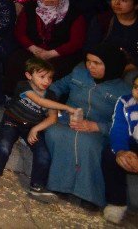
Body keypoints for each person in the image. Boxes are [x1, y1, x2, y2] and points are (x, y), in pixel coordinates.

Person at [45, 45, 131, 209]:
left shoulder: (123, 91)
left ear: (111, 65)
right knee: (54, 132)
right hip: (68, 120)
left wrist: (95, 126)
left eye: (97, 63)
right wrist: (53, 108)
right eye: (88, 61)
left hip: (99, 128)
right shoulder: (79, 72)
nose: (90, 66)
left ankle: (90, 195)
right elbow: (56, 87)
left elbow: (125, 124)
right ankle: (60, 186)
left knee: (89, 144)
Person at [0, 57, 76, 199]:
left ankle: (37, 185)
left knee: (43, 154)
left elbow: (53, 117)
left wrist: (36, 129)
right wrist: (68, 108)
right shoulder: (23, 86)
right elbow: (39, 101)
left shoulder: (51, 95)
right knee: (4, 145)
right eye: (42, 77)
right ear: (29, 76)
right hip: (13, 120)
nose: (46, 81)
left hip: (32, 126)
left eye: (50, 78)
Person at [6, 0, 87, 93]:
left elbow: (76, 42)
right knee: (16, 61)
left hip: (60, 53)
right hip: (33, 48)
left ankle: (45, 101)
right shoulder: (30, 8)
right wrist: (33, 48)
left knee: (49, 71)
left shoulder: (74, 13)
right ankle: (18, 97)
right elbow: (20, 32)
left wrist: (50, 54)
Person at [102, 76, 138, 224]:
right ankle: (117, 203)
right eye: (136, 87)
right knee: (110, 153)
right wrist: (121, 152)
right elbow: (118, 129)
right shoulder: (125, 102)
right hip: (133, 142)